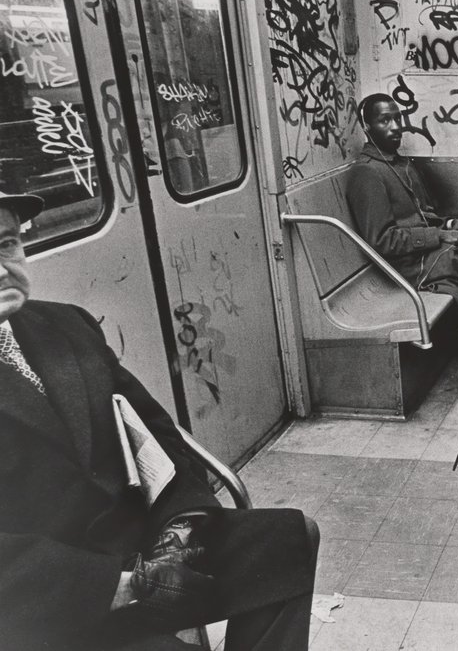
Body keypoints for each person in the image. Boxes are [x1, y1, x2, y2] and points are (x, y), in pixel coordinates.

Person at [0, 190, 320, 650]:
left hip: (141, 549)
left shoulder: (67, 327)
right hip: (49, 600)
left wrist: (179, 532)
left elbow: (157, 435)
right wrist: (119, 586)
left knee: (289, 539)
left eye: (7, 244)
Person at [345, 94, 458, 381]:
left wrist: (449, 223)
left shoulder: (402, 165)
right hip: (408, 264)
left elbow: (426, 213)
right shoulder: (367, 174)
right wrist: (437, 235)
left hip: (427, 251)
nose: (395, 127)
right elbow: (381, 241)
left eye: (397, 118)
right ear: (367, 128)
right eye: (384, 121)